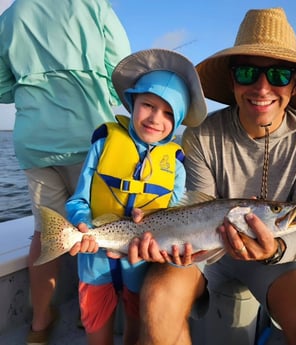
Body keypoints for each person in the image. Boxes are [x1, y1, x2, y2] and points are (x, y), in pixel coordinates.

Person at [129, 7, 296, 345]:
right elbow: (195, 207)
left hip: (280, 253)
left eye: (279, 74)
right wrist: (163, 232)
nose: (262, 88)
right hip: (205, 252)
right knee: (156, 301)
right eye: (247, 73)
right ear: (232, 79)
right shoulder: (201, 134)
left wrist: (274, 249)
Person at [0, 1, 131, 344]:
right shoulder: (95, 6)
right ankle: (102, 323)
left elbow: (1, 87)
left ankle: (39, 325)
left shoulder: (12, 15)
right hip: (89, 140)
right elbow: (121, 71)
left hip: (34, 142)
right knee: (101, 227)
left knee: (45, 234)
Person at [65, 48, 207, 345]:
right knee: (96, 328)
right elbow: (78, 199)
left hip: (140, 263)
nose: (156, 118)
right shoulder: (104, 143)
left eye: (169, 113)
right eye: (148, 105)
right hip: (93, 261)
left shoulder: (176, 165)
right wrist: (81, 224)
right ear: (132, 102)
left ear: (178, 120)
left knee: (136, 324)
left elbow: (172, 217)